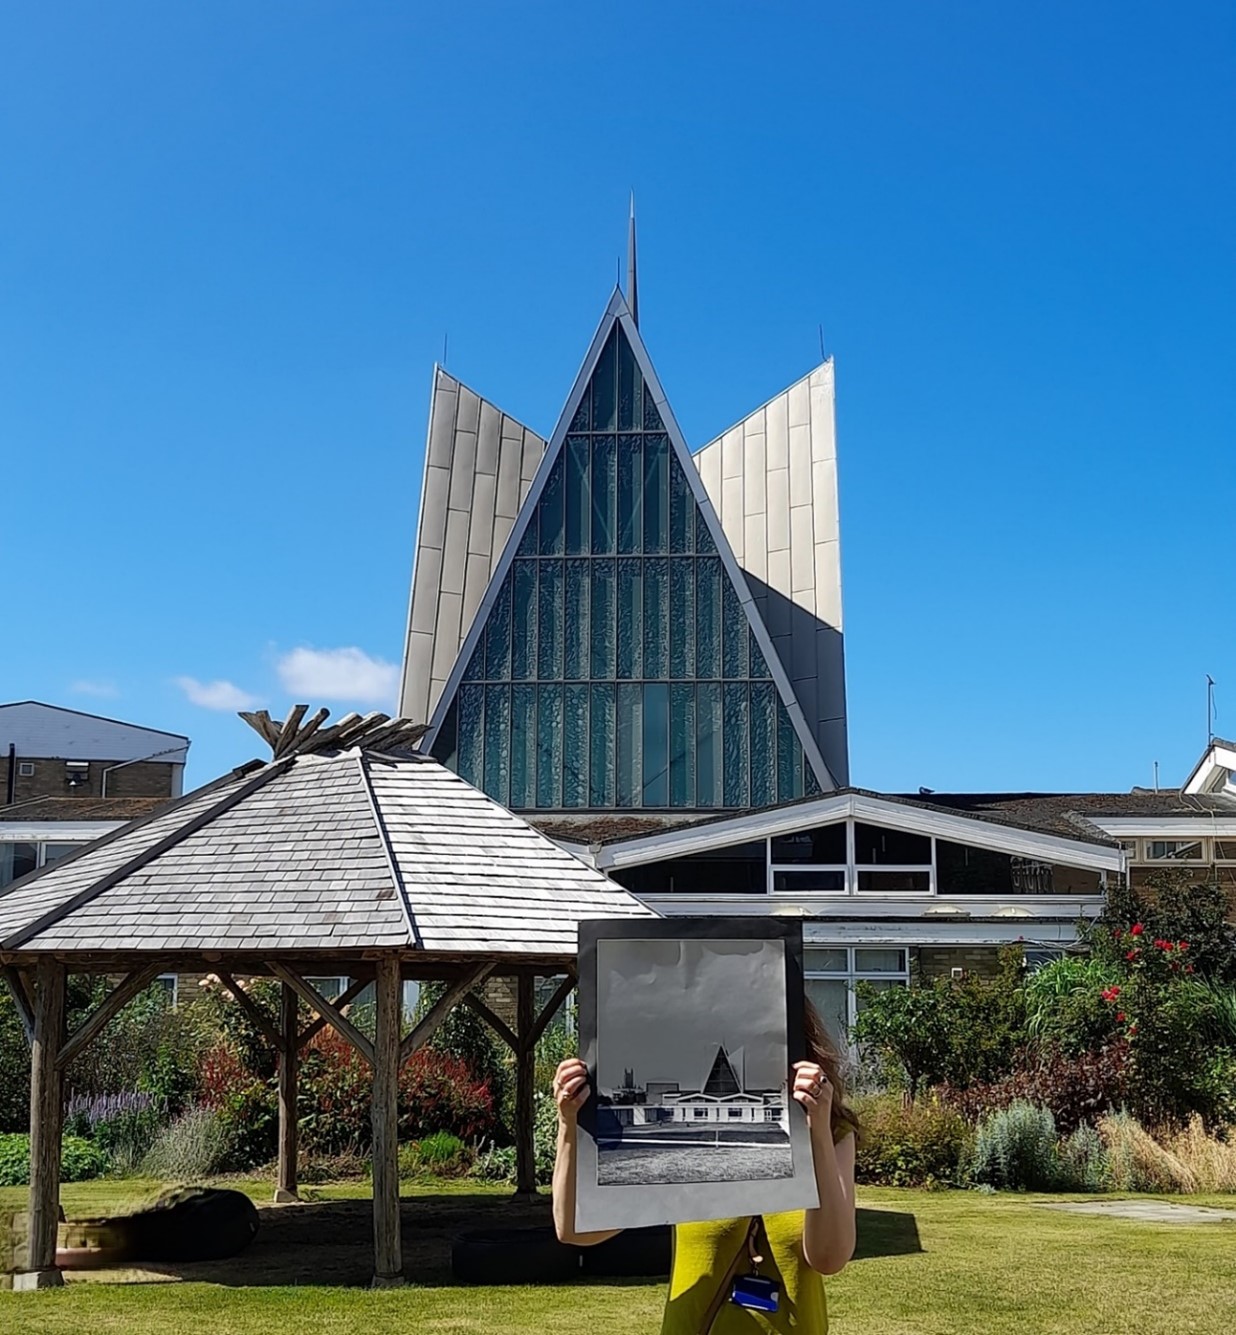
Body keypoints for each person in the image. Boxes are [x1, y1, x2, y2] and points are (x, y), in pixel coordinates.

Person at [552, 1001, 859, 1333]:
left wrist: (816, 1129)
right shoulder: (687, 1147)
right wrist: (569, 1124)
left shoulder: (833, 1132)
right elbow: (574, 1228)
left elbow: (829, 1257)